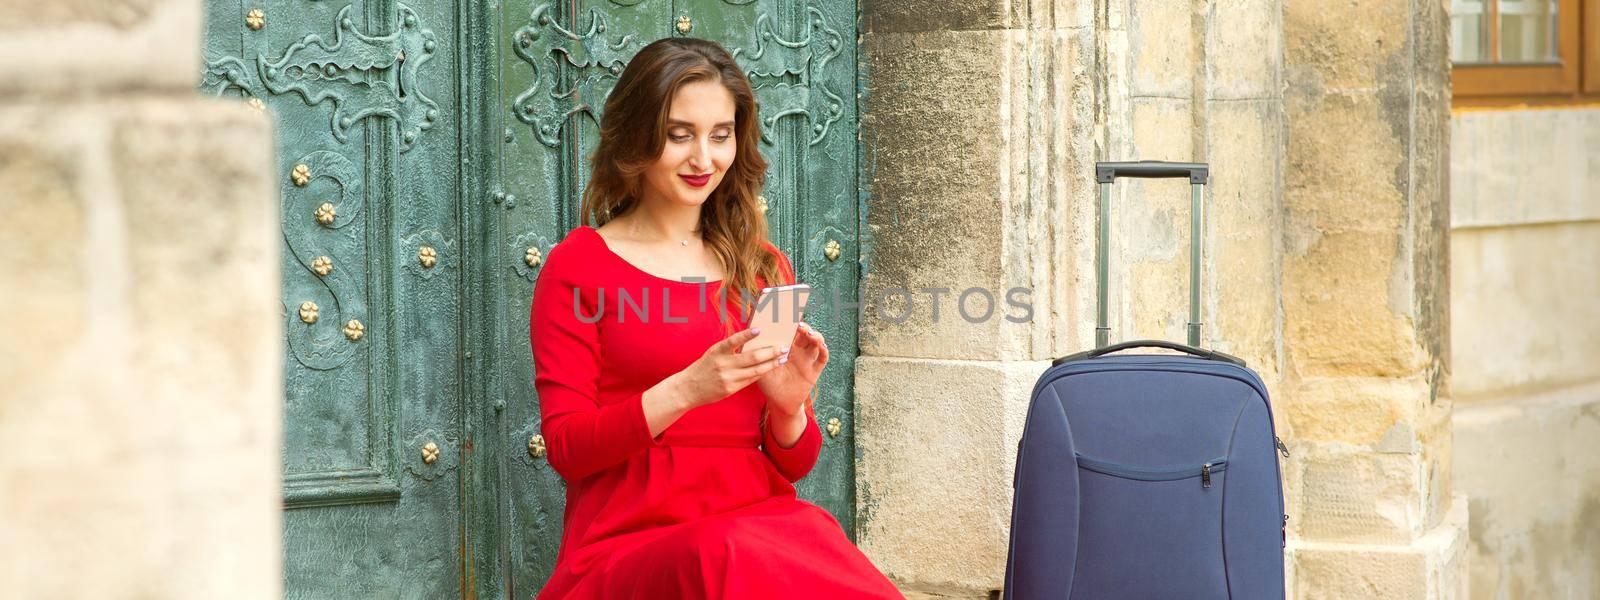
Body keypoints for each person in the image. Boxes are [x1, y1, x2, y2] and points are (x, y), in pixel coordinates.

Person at [527, 37, 904, 599]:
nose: (704, 159)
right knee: (726, 553)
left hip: (757, 526)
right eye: (680, 135)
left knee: (818, 540)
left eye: (720, 136)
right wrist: (686, 389)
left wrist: (786, 407)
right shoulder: (579, 266)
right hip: (630, 542)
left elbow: (794, 464)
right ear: (637, 136)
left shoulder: (762, 267)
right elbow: (567, 448)